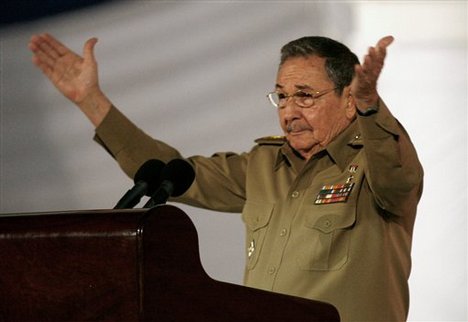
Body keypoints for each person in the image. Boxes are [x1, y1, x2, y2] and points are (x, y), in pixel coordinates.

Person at [28, 33, 423, 322]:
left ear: (349, 100)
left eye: (305, 95)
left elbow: (397, 177)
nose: (289, 111)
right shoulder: (261, 166)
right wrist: (91, 101)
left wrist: (373, 108)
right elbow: (168, 170)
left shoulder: (378, 163)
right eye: (281, 96)